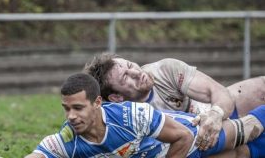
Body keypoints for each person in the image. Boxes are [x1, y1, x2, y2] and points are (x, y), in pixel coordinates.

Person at [0, 73, 265, 158]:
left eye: (78, 108)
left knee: (249, 132)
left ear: (98, 103)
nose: (70, 116)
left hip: (194, 136)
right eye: (66, 109)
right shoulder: (66, 141)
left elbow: (183, 137)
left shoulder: (129, 115)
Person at [83, 53, 265, 150]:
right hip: (199, 143)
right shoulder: (123, 118)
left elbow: (218, 92)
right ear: (116, 98)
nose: (137, 73)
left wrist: (216, 114)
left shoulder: (164, 70)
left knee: (260, 88)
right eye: (126, 78)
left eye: (130, 65)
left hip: (219, 113)